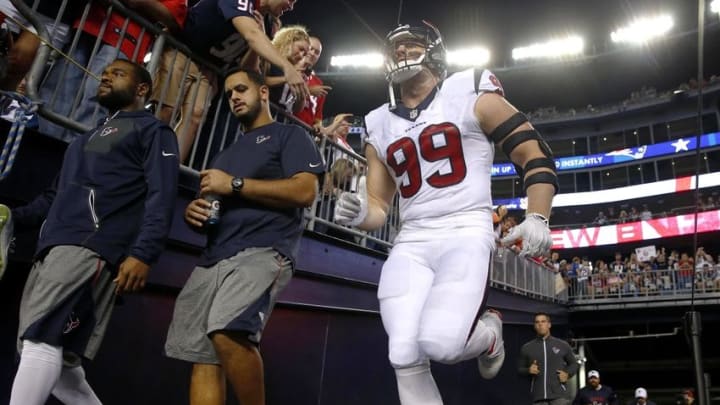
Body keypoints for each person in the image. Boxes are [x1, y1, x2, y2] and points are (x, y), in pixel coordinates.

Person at [333, 21, 557, 404]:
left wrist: (538, 216)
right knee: (403, 354)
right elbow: (378, 208)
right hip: (412, 238)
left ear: (434, 51)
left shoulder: (469, 91)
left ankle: (489, 334)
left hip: (466, 229)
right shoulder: (378, 123)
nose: (401, 52)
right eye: (396, 48)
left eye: (411, 45)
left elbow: (532, 153)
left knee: (442, 343)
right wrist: (358, 214)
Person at [6, 59, 179, 405]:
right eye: (104, 72)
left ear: (142, 89)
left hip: (89, 245)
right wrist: (10, 215)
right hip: (54, 246)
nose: (105, 76)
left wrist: (143, 253)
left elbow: (163, 195)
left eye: (117, 73)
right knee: (59, 363)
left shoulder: (152, 130)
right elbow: (53, 198)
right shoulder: (87, 139)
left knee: (41, 340)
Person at [164, 67, 323, 405]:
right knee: (203, 356)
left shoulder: (289, 136)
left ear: (263, 92)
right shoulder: (224, 155)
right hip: (213, 257)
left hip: (264, 249)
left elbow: (306, 191)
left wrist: (234, 184)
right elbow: (213, 208)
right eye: (229, 94)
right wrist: (196, 214)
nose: (234, 97)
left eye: (241, 89)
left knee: (228, 331)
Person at [518, 312, 578, 405]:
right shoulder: (527, 348)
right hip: (538, 397)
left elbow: (574, 364)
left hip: (559, 396)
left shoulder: (562, 345)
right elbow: (520, 369)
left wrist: (567, 374)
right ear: (534, 326)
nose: (540, 324)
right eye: (537, 322)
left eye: (543, 321)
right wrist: (528, 370)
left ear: (549, 324)